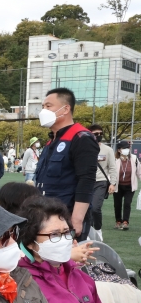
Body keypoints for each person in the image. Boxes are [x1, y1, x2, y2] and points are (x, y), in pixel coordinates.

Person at [33, 87, 99, 239]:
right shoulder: (51, 142)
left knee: (68, 261)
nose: (44, 111)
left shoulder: (81, 138)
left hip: (66, 217)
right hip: (45, 215)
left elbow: (86, 180)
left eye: (48, 106)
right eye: (43, 107)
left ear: (65, 109)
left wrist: (76, 219)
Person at [86, 125, 116, 239]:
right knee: (85, 208)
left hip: (101, 182)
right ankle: (89, 231)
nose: (98, 136)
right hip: (86, 182)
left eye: (100, 134)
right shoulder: (84, 148)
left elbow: (112, 167)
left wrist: (113, 183)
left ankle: (98, 229)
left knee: (95, 208)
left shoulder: (107, 150)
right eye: (95, 134)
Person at [113, 140, 141, 230]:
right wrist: (111, 183)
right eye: (123, 148)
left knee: (127, 204)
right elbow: (111, 172)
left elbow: (139, 172)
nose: (126, 150)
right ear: (119, 150)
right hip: (118, 186)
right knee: (117, 204)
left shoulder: (134, 158)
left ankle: (125, 222)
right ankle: (118, 221)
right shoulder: (115, 159)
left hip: (130, 186)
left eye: (127, 148)